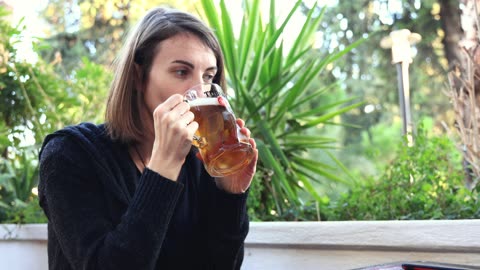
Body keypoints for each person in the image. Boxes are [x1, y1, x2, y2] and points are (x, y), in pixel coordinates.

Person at [38, 6, 258, 270]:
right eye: (181, 72)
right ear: (138, 77)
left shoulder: (200, 163)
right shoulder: (70, 154)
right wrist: (163, 167)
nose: (199, 90)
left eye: (208, 76)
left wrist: (230, 197)